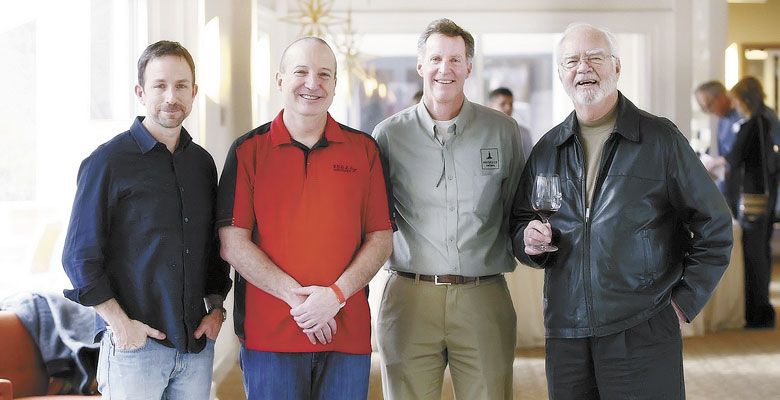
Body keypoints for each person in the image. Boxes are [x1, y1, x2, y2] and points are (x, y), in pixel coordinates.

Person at [511, 23, 733, 399]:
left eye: (595, 57)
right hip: (567, 331)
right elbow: (520, 223)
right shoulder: (547, 148)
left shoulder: (660, 139)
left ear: (617, 67)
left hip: (642, 327)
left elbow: (716, 227)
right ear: (561, 73)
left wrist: (681, 304)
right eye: (572, 60)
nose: (583, 68)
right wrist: (527, 240)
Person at [217, 37, 393, 399]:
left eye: (324, 74)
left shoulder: (364, 150)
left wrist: (335, 296)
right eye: (301, 72)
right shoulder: (248, 151)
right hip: (270, 335)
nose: (313, 83)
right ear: (280, 80)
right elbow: (232, 243)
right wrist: (300, 302)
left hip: (347, 332)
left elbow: (381, 237)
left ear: (334, 85)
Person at [62, 40, 232, 399]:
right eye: (160, 85)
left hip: (194, 349)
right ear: (140, 92)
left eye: (181, 86)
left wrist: (216, 309)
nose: (172, 96)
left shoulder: (202, 164)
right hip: (134, 350)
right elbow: (79, 258)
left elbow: (214, 250)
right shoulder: (107, 162)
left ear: (194, 92)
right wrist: (120, 325)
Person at [373, 18, 524, 400]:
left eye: (456, 59)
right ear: (420, 65)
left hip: (483, 295)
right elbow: (373, 218)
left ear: (469, 67)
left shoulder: (503, 131)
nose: (446, 68)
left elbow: (517, 211)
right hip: (409, 294)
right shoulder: (388, 135)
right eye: (436, 58)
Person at [725, 76, 779, 328]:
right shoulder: (766, 120)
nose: (734, 106)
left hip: (753, 197)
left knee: (754, 252)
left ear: (744, 100)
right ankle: (761, 308)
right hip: (764, 195)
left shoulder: (752, 124)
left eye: (736, 100)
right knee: (761, 251)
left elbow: (734, 159)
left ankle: (758, 311)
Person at [694, 80, 743, 191]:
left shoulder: (741, 115)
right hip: (727, 183)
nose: (709, 111)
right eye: (704, 109)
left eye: (709, 105)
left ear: (721, 97)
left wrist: (719, 162)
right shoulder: (722, 120)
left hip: (743, 184)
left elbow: (739, 152)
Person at [488, 86, 534, 158]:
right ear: (490, 106)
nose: (508, 108)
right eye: (503, 104)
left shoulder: (523, 133)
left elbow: (529, 160)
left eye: (511, 104)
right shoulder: (483, 131)